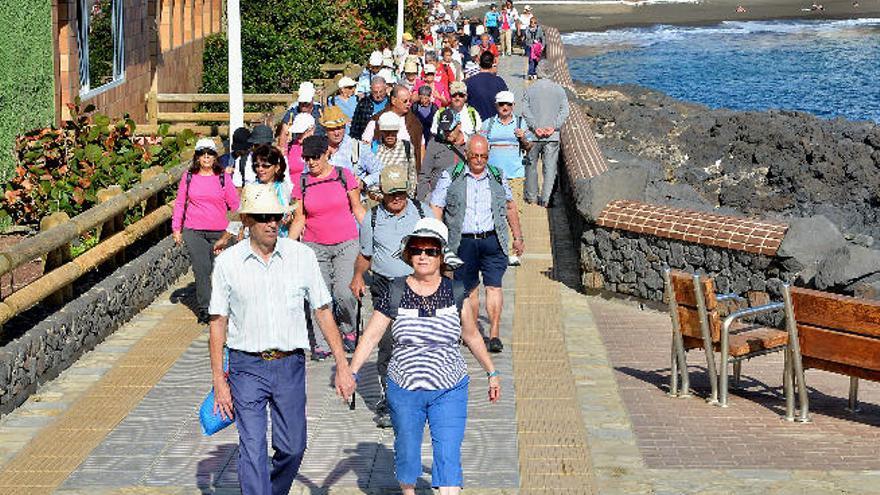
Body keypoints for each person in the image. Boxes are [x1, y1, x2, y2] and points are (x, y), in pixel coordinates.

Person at [208, 183, 355, 495]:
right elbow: (217, 322)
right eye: (263, 216)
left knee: (293, 447)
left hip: (289, 365)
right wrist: (219, 381)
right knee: (252, 448)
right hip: (246, 366)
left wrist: (343, 364)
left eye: (276, 216)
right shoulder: (227, 263)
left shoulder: (301, 256)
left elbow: (323, 309)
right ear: (247, 220)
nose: (272, 222)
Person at [348, 217, 501, 493]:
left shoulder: (456, 292)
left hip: (449, 387)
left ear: (441, 256)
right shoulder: (394, 290)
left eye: (430, 251)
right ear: (409, 254)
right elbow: (371, 336)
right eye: (417, 250)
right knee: (407, 451)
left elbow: (471, 335)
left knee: (448, 454)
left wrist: (491, 372)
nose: (423, 256)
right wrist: (352, 372)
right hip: (404, 388)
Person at [349, 165, 433, 429]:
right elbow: (365, 254)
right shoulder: (372, 219)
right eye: (391, 193)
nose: (397, 198)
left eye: (401, 192)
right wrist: (357, 277)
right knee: (386, 342)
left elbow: (437, 251)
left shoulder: (422, 213)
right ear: (381, 193)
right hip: (385, 285)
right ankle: (389, 397)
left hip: (419, 285)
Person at [430, 135, 524, 353]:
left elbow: (510, 207)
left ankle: (494, 335)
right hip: (463, 242)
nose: (479, 161)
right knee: (470, 289)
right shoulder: (450, 176)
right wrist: (437, 240)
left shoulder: (497, 175)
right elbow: (437, 207)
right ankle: (472, 333)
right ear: (466, 154)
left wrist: (518, 237)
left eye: (483, 156)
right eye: (475, 156)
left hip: (493, 239)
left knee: (494, 285)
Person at [290, 135, 366, 359]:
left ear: (326, 154)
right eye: (306, 158)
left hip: (346, 242)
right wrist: (287, 247)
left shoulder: (343, 176)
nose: (311, 162)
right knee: (319, 295)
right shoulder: (302, 182)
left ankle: (348, 328)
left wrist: (374, 234)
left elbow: (358, 209)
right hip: (314, 245)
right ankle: (322, 341)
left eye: (315, 157)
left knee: (344, 293)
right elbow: (299, 218)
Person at [171, 138, 240, 324]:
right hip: (194, 231)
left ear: (215, 156)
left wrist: (234, 230)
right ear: (197, 157)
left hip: (220, 232)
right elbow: (180, 203)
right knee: (202, 269)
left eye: (210, 153)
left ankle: (225, 306)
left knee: (221, 271)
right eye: (202, 153)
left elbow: (235, 206)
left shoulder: (223, 177)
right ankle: (204, 308)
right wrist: (176, 228)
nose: (206, 157)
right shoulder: (189, 176)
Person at [215, 144, 295, 252]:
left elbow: (296, 216)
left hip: (280, 243)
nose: (260, 169)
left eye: (265, 166)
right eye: (257, 165)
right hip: (255, 244)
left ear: (277, 167)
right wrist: (224, 239)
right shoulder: (251, 188)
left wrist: (290, 217)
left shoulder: (285, 188)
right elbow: (241, 216)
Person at [521, 74, 570, 207]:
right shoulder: (559, 90)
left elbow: (525, 110)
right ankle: (546, 199)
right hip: (552, 136)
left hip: (533, 135)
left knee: (531, 166)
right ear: (551, 73)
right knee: (550, 168)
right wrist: (554, 126)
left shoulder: (530, 89)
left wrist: (535, 126)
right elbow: (565, 111)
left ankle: (531, 197)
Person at [362, 85, 426, 175]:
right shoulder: (377, 121)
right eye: (405, 101)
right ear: (393, 100)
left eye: (410, 101)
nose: (408, 104)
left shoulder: (414, 122)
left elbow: (421, 146)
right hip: (382, 174)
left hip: (407, 175)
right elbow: (365, 147)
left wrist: (421, 171)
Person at [322, 106, 384, 191]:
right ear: (325, 129)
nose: (336, 133)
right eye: (332, 129)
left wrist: (364, 182)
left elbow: (381, 171)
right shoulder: (318, 148)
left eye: (340, 128)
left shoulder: (357, 147)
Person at [419, 108, 467, 201]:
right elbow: (424, 175)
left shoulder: (470, 144)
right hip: (437, 199)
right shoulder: (434, 143)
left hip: (461, 198)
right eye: (445, 130)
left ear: (459, 125)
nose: (447, 133)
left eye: (451, 129)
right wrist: (422, 202)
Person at [373, 113, 419, 198]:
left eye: (393, 132)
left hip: (403, 197)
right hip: (382, 197)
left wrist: (410, 196)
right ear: (382, 132)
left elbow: (412, 173)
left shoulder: (407, 146)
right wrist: (381, 198)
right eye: (386, 132)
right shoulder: (375, 149)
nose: (390, 135)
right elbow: (372, 177)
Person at [466, 52, 509, 120]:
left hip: (475, 123)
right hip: (494, 123)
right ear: (492, 64)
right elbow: (507, 103)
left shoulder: (469, 82)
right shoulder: (500, 82)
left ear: (479, 63)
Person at [280, 82, 324, 147]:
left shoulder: (321, 112)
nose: (304, 105)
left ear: (312, 99)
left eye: (306, 102)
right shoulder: (292, 113)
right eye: (301, 102)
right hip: (296, 148)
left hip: (319, 148)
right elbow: (284, 133)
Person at [231, 124, 275, 191]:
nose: (262, 149)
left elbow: (286, 185)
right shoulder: (241, 161)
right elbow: (238, 189)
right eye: (258, 145)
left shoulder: (278, 160)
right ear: (252, 145)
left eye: (266, 145)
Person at [350, 76, 390, 141]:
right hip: (365, 142)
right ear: (370, 89)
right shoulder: (363, 103)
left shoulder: (392, 103)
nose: (378, 95)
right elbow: (355, 126)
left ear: (386, 89)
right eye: (375, 92)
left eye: (381, 92)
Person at [286, 113, 315, 182]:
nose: (298, 135)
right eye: (297, 133)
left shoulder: (319, 147)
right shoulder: (289, 147)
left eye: (301, 133)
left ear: (311, 130)